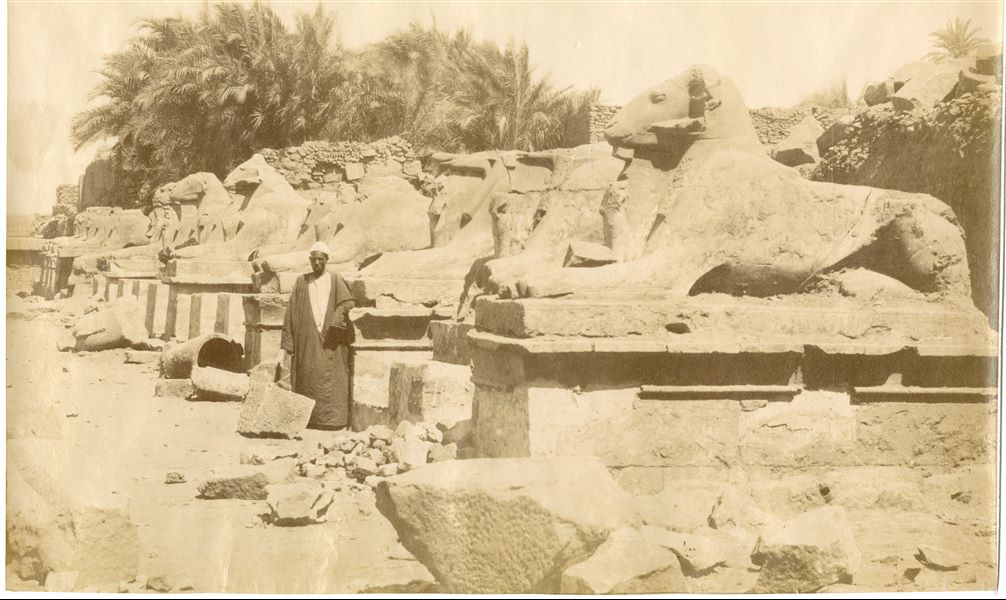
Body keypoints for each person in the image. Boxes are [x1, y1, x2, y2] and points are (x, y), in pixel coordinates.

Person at [280, 241, 355, 430]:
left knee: (332, 379)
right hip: (308, 342)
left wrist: (336, 321)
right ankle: (309, 418)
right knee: (307, 374)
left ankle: (332, 421)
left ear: (327, 260)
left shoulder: (336, 279)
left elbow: (347, 302)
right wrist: (288, 345)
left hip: (331, 340)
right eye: (314, 260)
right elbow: (291, 312)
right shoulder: (301, 282)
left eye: (321, 260)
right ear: (310, 260)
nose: (317, 264)